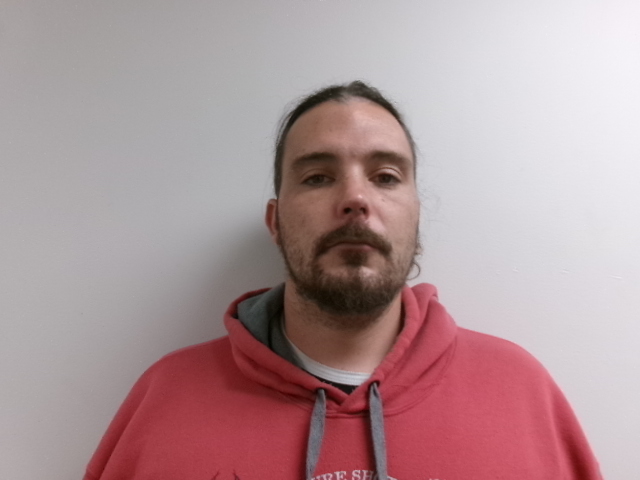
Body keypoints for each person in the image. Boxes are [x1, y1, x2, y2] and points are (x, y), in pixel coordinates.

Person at [83, 81, 602, 480]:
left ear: (415, 217)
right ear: (275, 222)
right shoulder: (166, 401)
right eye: (318, 177)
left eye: (385, 177)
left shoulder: (521, 394)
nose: (355, 198)